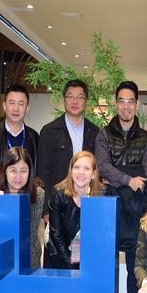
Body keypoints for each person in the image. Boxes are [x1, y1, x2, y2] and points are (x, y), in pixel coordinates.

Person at [96, 81, 147, 293]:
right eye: (121, 101)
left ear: (136, 104)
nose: (126, 106)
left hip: (136, 209)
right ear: (116, 104)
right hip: (109, 208)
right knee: (107, 263)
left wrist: (116, 178)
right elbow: (102, 167)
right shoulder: (104, 134)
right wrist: (129, 179)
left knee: (135, 264)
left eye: (130, 101)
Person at [45, 151, 103, 293]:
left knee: (86, 288)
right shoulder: (59, 192)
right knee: (64, 288)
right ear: (70, 170)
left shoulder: (100, 195)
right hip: (59, 250)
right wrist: (70, 259)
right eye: (76, 167)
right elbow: (56, 233)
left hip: (86, 253)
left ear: (93, 174)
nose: (81, 172)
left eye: (86, 168)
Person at [37, 79, 99, 218]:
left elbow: (98, 170)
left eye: (80, 97)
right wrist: (46, 209)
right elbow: (43, 171)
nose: (74, 101)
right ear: (64, 99)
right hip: (58, 202)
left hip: (88, 202)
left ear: (86, 101)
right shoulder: (49, 131)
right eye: (70, 96)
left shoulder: (95, 132)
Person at [0, 147, 45, 269]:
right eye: (13, 170)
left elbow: (30, 234)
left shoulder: (38, 193)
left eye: (23, 171)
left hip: (27, 256)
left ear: (30, 172)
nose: (18, 176)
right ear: (5, 170)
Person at [0, 84, 39, 175]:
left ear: (27, 108)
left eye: (21, 104)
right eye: (12, 103)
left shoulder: (34, 137)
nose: (16, 108)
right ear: (4, 106)